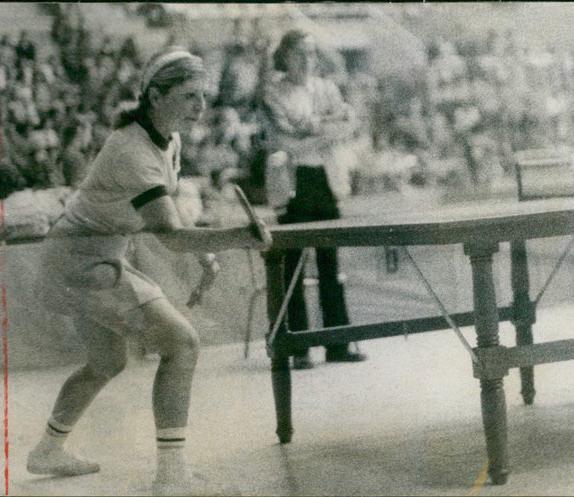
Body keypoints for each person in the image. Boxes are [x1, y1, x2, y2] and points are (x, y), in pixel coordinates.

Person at [26, 47, 271, 495]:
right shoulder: (131, 150)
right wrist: (238, 237)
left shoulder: (167, 138)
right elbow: (170, 235)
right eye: (189, 96)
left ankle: (47, 451)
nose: (201, 106)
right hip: (80, 262)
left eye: (203, 96)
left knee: (107, 361)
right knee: (182, 344)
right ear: (155, 96)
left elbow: (168, 208)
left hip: (84, 255)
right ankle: (171, 477)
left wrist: (204, 254)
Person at [261, 29, 366, 369]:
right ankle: (299, 348)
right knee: (292, 267)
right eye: (299, 53)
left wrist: (307, 128)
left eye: (311, 53)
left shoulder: (327, 88)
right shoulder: (272, 93)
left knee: (330, 265)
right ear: (284, 56)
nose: (307, 60)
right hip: (293, 183)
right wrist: (324, 130)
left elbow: (347, 125)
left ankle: (338, 345)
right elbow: (284, 142)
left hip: (325, 180)